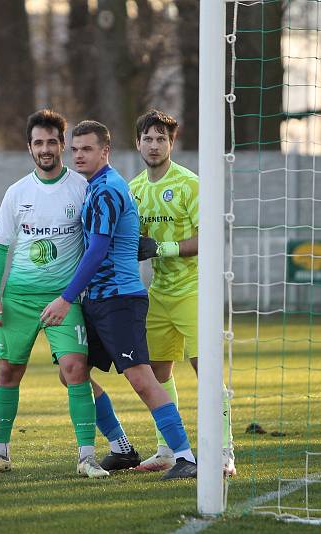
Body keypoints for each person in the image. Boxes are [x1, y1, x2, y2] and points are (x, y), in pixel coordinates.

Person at [41, 120, 198, 480]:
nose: (79, 155)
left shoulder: (108, 189)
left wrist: (66, 298)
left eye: (87, 149)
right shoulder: (94, 187)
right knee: (72, 372)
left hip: (119, 300)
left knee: (142, 380)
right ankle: (122, 448)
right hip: (97, 301)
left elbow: (97, 251)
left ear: (105, 152)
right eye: (75, 149)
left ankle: (186, 456)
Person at [0, 109, 112, 478]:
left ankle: (87, 457)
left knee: (75, 369)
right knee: (8, 371)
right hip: (19, 298)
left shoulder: (83, 188)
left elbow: (99, 241)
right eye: (38, 142)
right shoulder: (17, 193)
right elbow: (0, 246)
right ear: (29, 147)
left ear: (62, 144)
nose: (45, 148)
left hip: (65, 299)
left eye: (52, 141)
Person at [128, 109, 235, 475]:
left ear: (172, 143)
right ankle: (168, 449)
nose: (154, 145)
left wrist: (162, 248)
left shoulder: (190, 184)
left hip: (195, 291)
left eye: (161, 138)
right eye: (148, 138)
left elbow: (209, 238)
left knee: (206, 371)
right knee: (157, 373)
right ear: (137, 142)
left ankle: (224, 451)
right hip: (159, 293)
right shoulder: (135, 190)